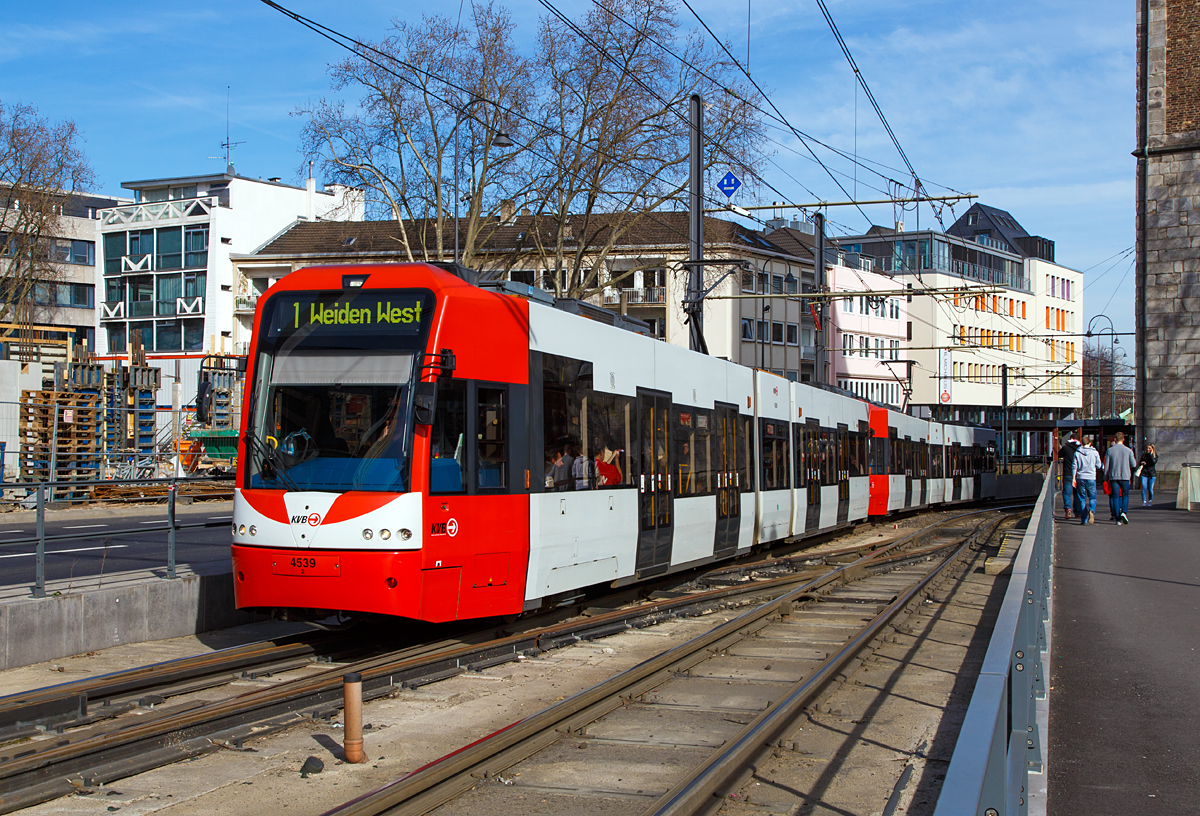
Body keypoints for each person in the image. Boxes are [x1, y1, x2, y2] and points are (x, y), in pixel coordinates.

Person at [1103, 431, 1136, 524]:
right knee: (1125, 495)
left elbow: (1106, 466)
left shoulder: (1110, 450)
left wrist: (1105, 477)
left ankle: (1117, 519)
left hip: (1113, 476)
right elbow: (1134, 464)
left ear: (1115, 439)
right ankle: (1124, 512)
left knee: (1115, 497)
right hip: (1125, 476)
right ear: (1123, 439)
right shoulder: (1129, 451)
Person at [1072, 436, 1102, 525]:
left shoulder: (1077, 453)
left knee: (1082, 498)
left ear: (1082, 443)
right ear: (1090, 443)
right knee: (1092, 497)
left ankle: (1084, 519)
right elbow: (1099, 465)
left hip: (1080, 477)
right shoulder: (1095, 453)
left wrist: (1074, 478)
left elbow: (1074, 466)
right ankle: (1092, 510)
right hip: (1091, 477)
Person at [1058, 431, 1080, 519]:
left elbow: (1057, 454)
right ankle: (1078, 512)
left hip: (1067, 473)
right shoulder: (1080, 448)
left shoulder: (1066, 448)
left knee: (1067, 492)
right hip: (1078, 474)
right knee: (1077, 493)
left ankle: (1068, 508)